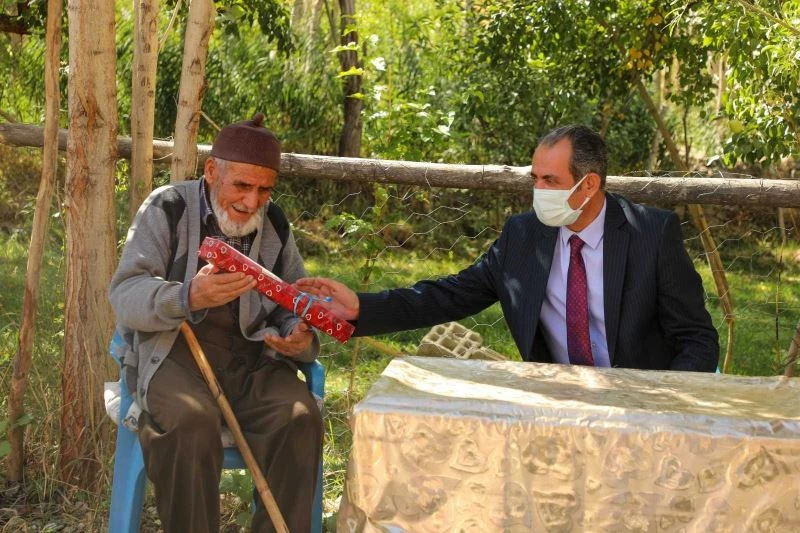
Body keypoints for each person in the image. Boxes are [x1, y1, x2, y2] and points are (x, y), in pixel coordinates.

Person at [297, 124, 719, 372]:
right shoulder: (524, 237)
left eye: (550, 181)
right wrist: (361, 308)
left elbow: (696, 338)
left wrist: (664, 410)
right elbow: (451, 294)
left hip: (640, 405)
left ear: (588, 185)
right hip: (554, 401)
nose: (538, 191)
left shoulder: (650, 233)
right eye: (534, 178)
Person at [109, 112, 322, 533]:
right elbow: (126, 293)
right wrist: (186, 296)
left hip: (252, 364)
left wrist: (298, 336)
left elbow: (290, 299)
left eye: (264, 189)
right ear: (211, 171)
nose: (252, 201)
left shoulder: (274, 222)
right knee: (191, 425)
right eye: (242, 185)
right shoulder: (168, 207)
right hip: (173, 357)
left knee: (299, 418)